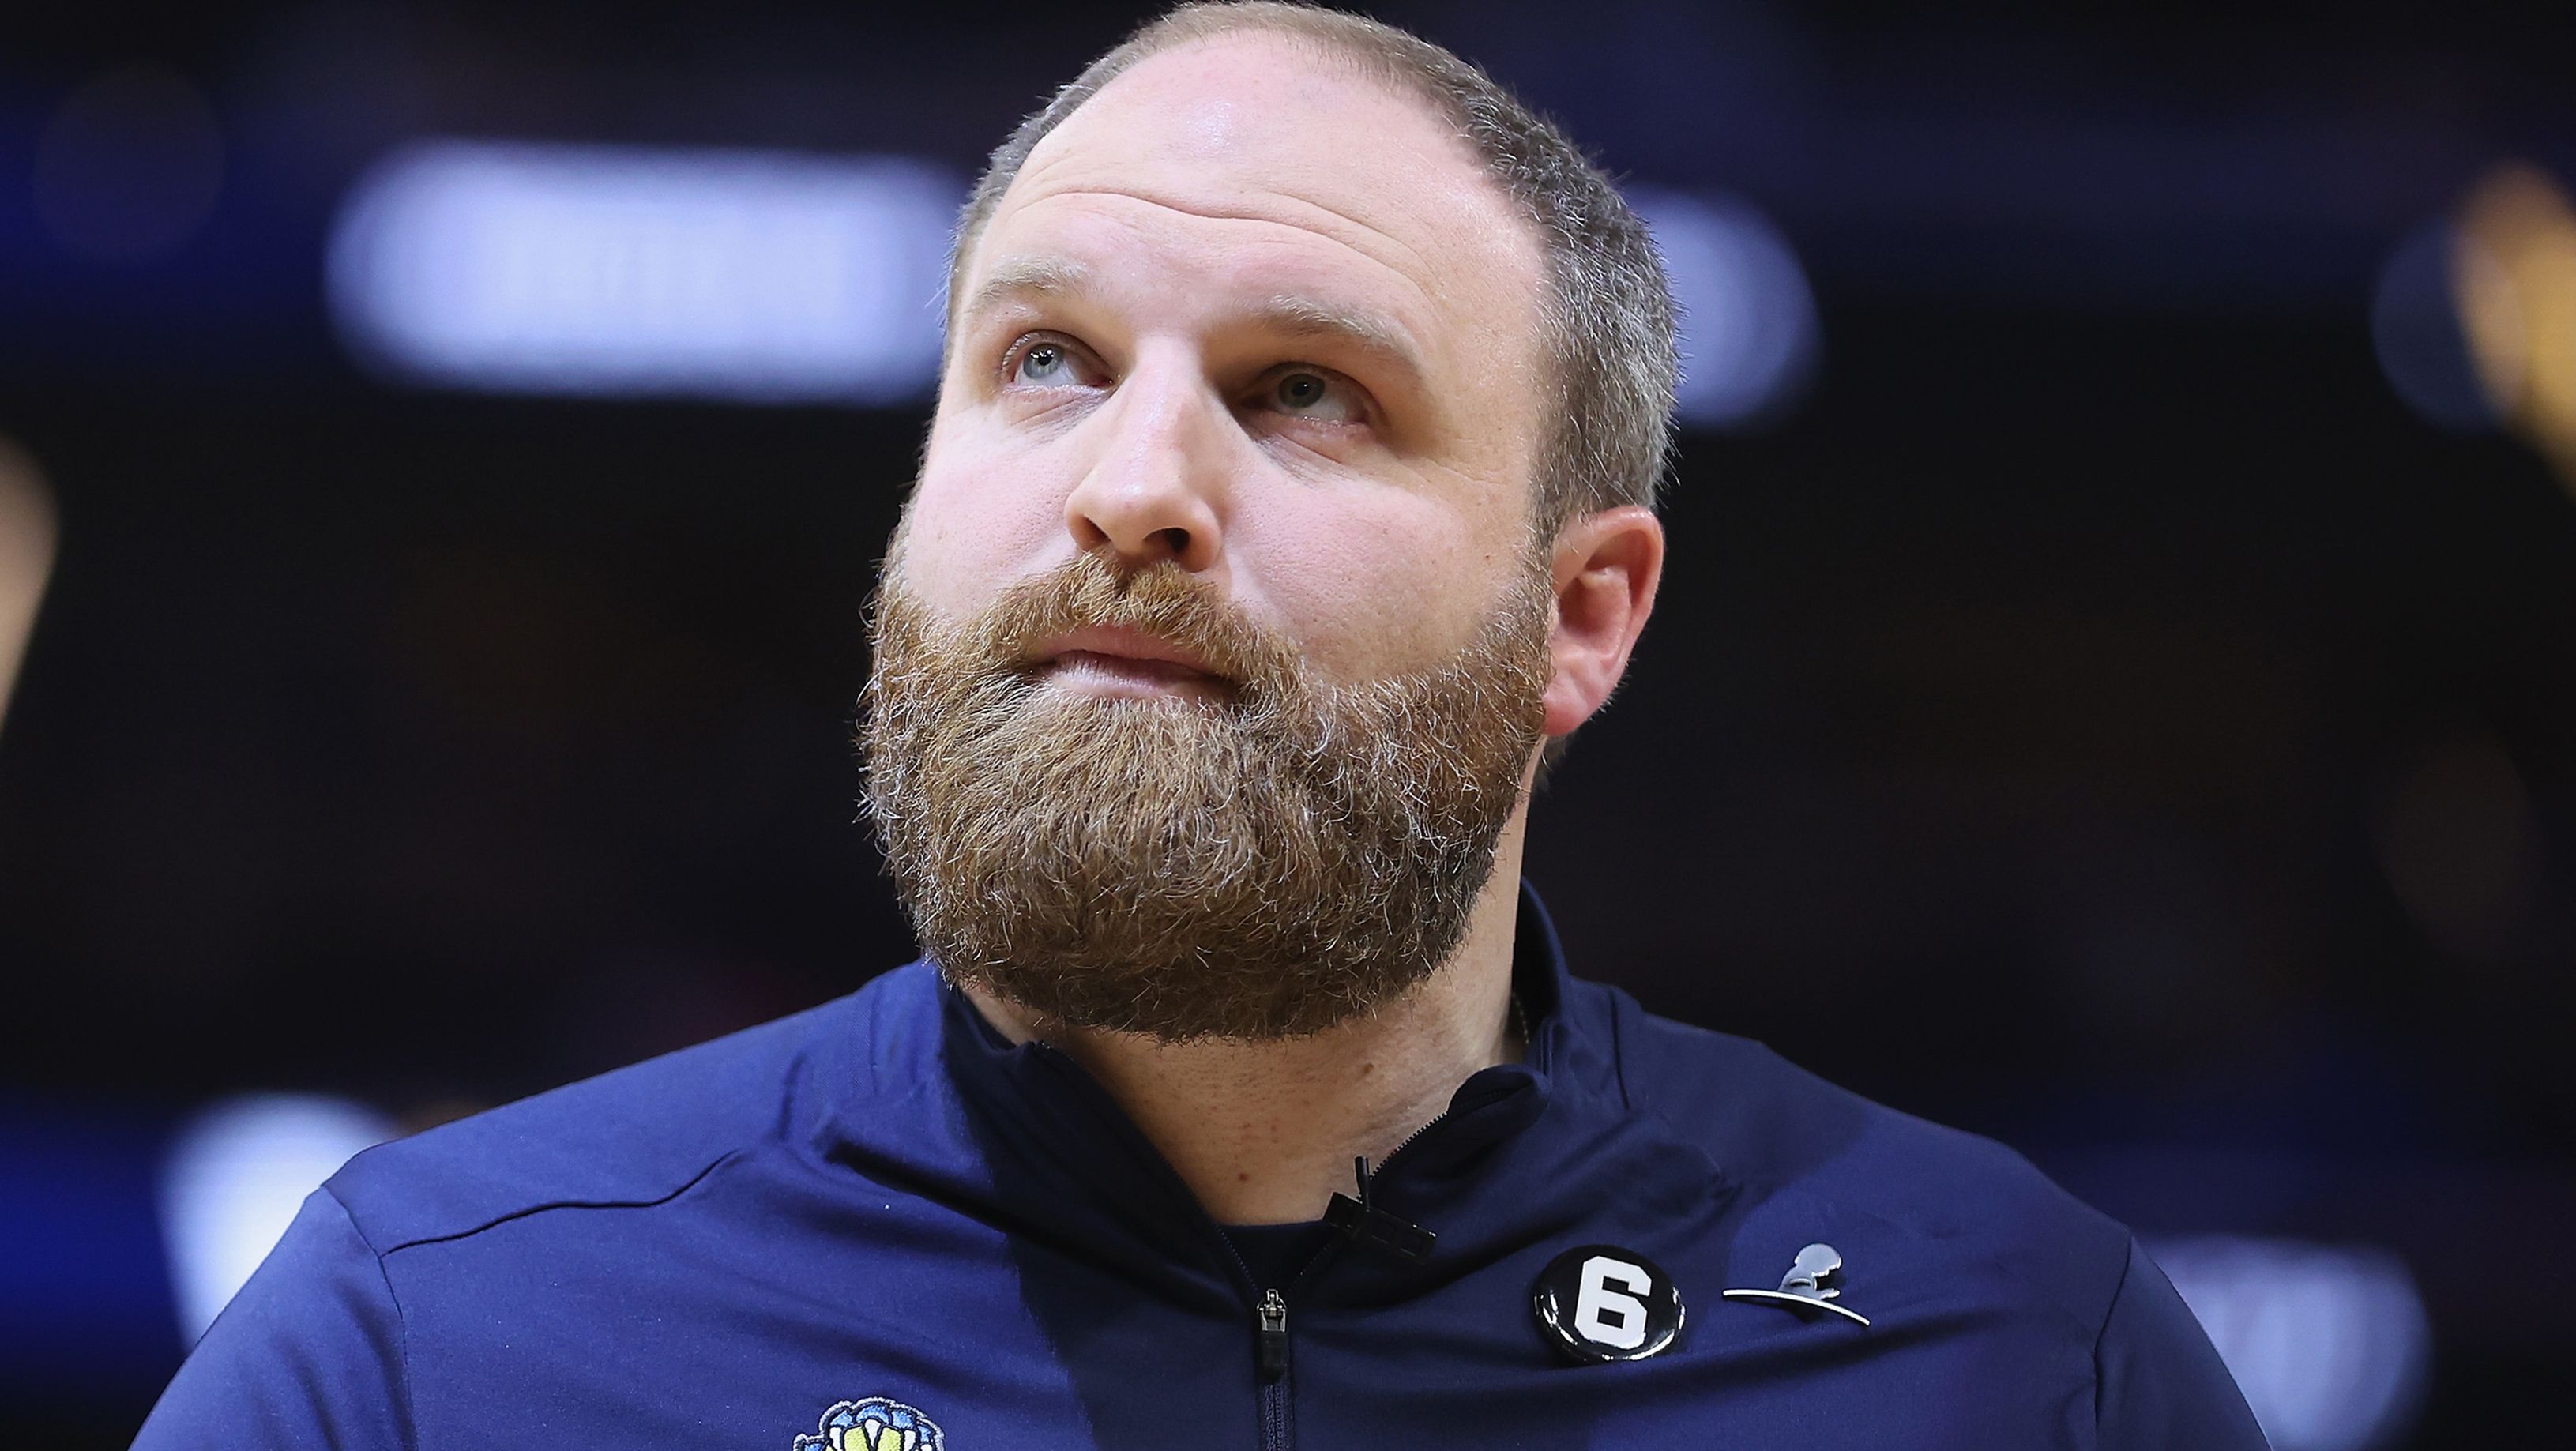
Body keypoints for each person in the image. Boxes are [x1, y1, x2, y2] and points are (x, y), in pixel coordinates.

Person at [135, 4, 2269, 1447]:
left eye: (1304, 391)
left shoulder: (2011, 1351)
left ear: (1582, 613)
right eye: (1045, 361)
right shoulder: (432, 1349)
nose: (1130, 483)